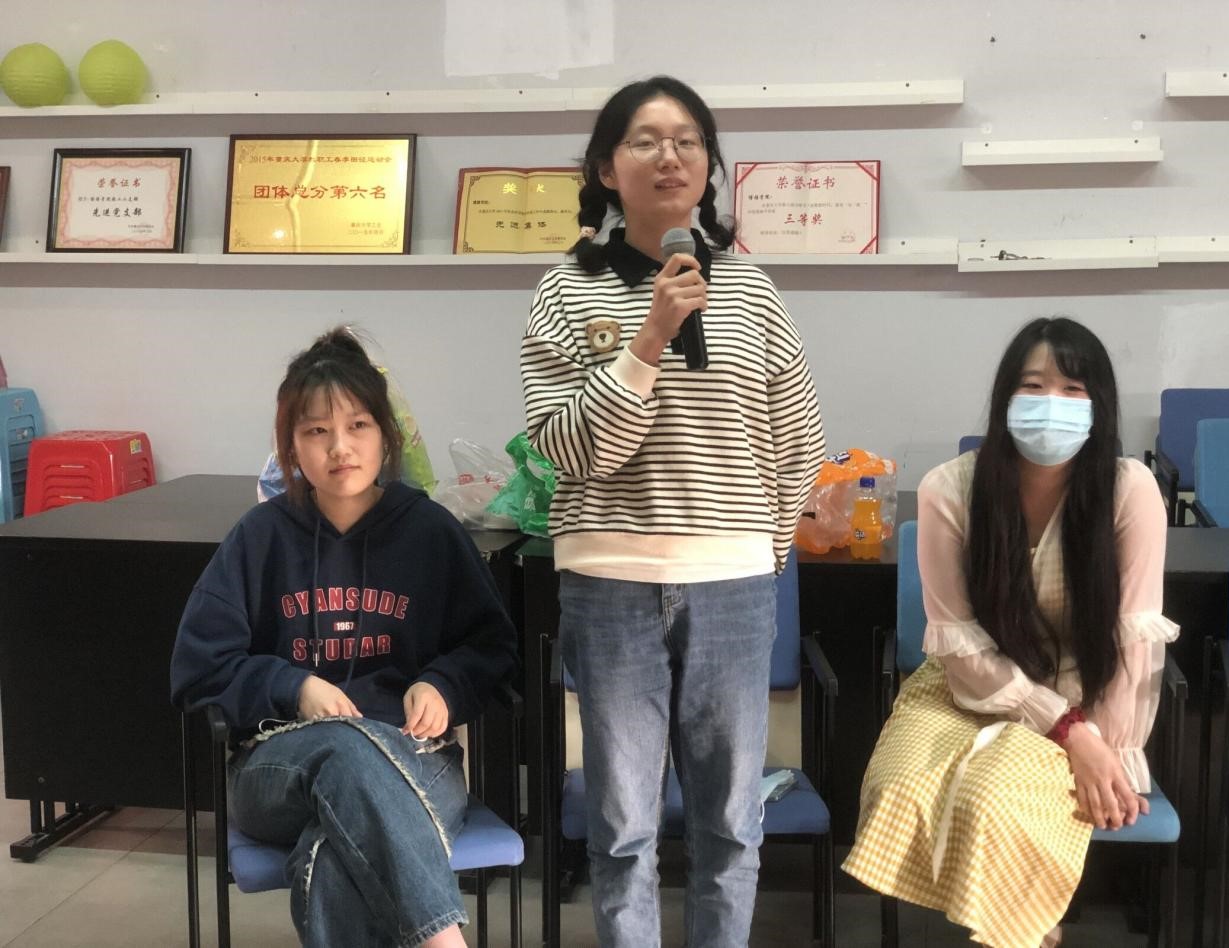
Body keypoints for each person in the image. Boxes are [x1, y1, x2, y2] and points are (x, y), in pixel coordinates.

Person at [519, 76, 826, 946]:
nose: (670, 156)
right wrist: (649, 339)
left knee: (730, 822)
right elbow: (568, 449)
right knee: (622, 827)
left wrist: (762, 553)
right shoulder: (564, 292)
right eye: (646, 140)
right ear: (605, 169)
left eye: (689, 140)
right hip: (609, 581)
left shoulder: (753, 290)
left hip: (733, 583)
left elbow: (799, 439)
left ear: (709, 165)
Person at [170, 328, 518, 948]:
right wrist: (292, 685)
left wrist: (443, 684)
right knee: (346, 749)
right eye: (316, 431)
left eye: (358, 425)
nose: (340, 448)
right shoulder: (259, 537)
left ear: (386, 435)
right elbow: (198, 667)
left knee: (334, 849)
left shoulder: (430, 532)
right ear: (289, 446)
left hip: (417, 757)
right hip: (279, 764)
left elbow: (492, 647)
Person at [842, 317, 1179, 948]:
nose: (1053, 403)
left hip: (1088, 696)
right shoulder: (950, 489)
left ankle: (1031, 933)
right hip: (967, 689)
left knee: (995, 799)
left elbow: (1134, 642)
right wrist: (1063, 728)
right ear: (1004, 399)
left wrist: (1103, 746)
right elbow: (961, 646)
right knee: (898, 788)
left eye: (1073, 389)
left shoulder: (1129, 490)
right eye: (1034, 386)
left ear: (1099, 406)